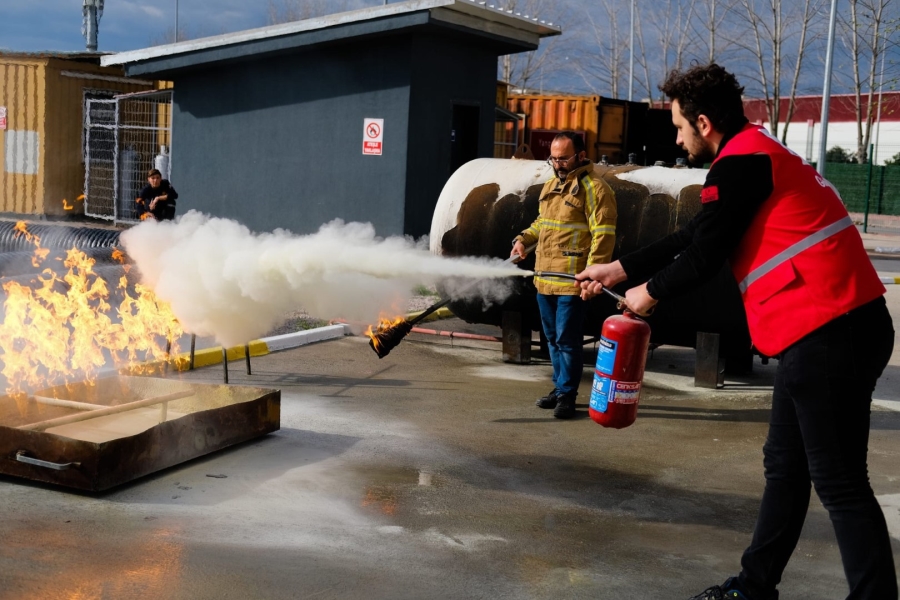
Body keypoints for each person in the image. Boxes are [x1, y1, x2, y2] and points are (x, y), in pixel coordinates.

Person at [576, 64, 896, 600]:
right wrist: (621, 270)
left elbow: (704, 255)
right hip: (828, 329)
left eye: (679, 126)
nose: (676, 139)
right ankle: (753, 587)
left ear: (703, 122)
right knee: (786, 468)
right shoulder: (756, 153)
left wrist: (647, 296)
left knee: (839, 481)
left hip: (828, 330)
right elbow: (696, 232)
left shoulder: (743, 161)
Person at [511, 131, 617, 419]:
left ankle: (568, 396)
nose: (557, 164)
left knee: (568, 341)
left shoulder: (595, 189)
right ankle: (560, 388)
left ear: (580, 156)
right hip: (544, 279)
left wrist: (592, 277)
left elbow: (603, 236)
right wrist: (523, 240)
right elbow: (541, 224)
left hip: (573, 283)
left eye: (563, 158)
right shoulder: (550, 187)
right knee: (552, 339)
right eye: (553, 159)